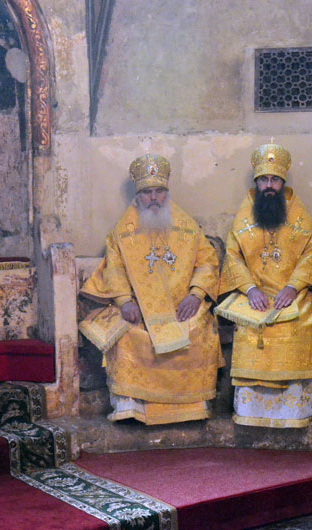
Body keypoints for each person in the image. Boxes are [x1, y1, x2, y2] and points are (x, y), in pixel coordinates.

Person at [79, 154, 222, 425]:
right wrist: (124, 301)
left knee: (199, 328)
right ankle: (133, 407)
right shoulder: (122, 231)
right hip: (139, 308)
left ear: (166, 192)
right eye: (147, 193)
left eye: (159, 191)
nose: (154, 198)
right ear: (138, 195)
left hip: (181, 305)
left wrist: (196, 294)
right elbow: (114, 269)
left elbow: (207, 262)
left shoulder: (187, 226)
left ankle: (192, 405)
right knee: (127, 335)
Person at [219, 142, 312, 427]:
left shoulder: (299, 214)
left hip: (293, 293)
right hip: (253, 295)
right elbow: (233, 257)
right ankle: (253, 409)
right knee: (252, 328)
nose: (269, 186)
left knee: (303, 321)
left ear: (282, 182)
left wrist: (293, 286)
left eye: (274, 179)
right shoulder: (243, 216)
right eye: (264, 179)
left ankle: (298, 408)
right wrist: (250, 289)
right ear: (256, 182)